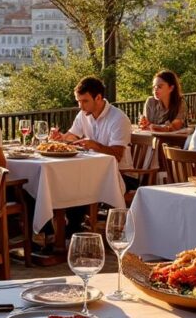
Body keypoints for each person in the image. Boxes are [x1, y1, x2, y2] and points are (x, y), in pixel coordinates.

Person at [48, 75, 134, 235]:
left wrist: (95, 145)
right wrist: (61, 138)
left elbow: (117, 155)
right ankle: (63, 230)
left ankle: (72, 228)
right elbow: (72, 135)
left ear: (99, 98)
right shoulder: (83, 115)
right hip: (93, 171)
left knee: (76, 182)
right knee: (66, 179)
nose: (80, 106)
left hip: (121, 174)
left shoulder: (118, 119)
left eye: (85, 101)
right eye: (78, 101)